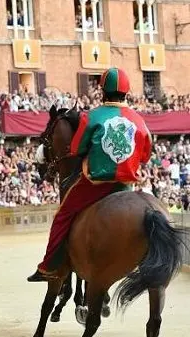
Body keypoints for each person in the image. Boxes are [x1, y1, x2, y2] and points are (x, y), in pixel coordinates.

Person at [27, 67, 152, 282]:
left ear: (102, 91)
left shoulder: (91, 117)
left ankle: (49, 266)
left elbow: (75, 149)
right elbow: (145, 155)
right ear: (127, 92)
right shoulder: (140, 121)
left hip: (94, 184)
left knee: (62, 216)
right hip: (125, 186)